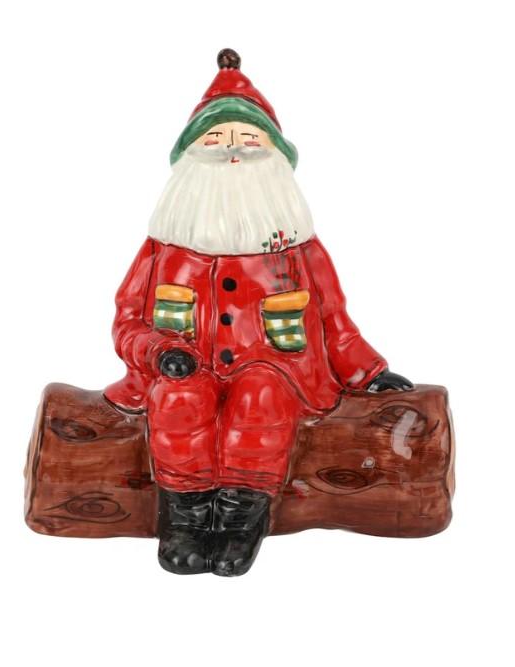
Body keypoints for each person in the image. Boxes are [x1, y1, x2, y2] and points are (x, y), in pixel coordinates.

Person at [104, 49, 413, 576]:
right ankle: (184, 516)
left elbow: (334, 322)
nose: (233, 152)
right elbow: (127, 321)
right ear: (189, 158)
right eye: (216, 140)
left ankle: (241, 518)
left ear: (275, 156)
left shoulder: (299, 253)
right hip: (182, 365)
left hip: (279, 369)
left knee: (261, 397)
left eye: (249, 140)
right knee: (180, 398)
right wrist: (158, 351)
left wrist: (368, 371)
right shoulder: (162, 251)